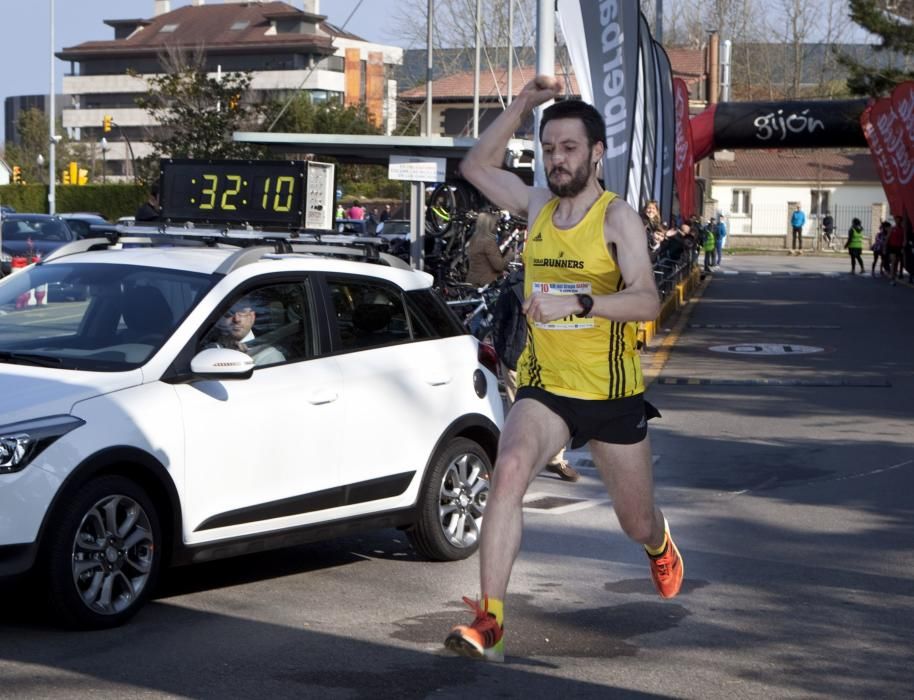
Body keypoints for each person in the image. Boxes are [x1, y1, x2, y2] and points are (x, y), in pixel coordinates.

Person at [445, 77, 682, 663]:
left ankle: (659, 542)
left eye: (569, 148)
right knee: (510, 470)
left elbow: (648, 301)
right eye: (549, 148)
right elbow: (477, 165)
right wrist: (524, 102)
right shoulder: (535, 206)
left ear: (596, 153)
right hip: (546, 387)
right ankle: (491, 619)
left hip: (610, 395)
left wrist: (580, 302)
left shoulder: (617, 219)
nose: (557, 159)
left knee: (634, 522)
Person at [492, 268, 580, 482]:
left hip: (551, 358)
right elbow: (500, 320)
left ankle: (553, 459)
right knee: (523, 414)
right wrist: (505, 353)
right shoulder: (517, 282)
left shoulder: (561, 281)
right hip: (519, 357)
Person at [204, 302, 285, 366]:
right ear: (220, 318)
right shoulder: (204, 340)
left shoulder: (270, 357)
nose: (236, 319)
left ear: (252, 317)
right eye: (229, 312)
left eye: (242, 311)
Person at [465, 211, 514, 287]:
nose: (497, 227)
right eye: (495, 224)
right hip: (484, 284)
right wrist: (509, 255)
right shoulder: (488, 242)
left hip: (472, 280)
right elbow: (499, 266)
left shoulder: (474, 239)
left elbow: (483, 264)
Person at [886, 215, 905, 285]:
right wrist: (885, 247)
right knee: (893, 262)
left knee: (897, 262)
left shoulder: (903, 230)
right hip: (892, 247)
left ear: (901, 221)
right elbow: (887, 238)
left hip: (899, 247)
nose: (897, 221)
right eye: (896, 220)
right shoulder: (892, 228)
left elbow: (903, 239)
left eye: (899, 220)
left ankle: (894, 275)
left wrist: (903, 247)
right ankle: (892, 278)